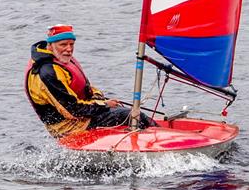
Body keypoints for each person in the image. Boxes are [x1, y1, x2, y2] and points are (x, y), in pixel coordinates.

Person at [24, 23, 153, 137]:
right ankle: (160, 140)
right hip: (69, 127)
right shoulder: (47, 73)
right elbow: (72, 109)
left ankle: (153, 133)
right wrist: (104, 105)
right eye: (63, 45)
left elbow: (87, 88)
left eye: (71, 44)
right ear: (50, 46)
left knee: (123, 110)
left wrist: (101, 99)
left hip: (81, 115)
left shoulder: (62, 60)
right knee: (134, 115)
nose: (69, 49)